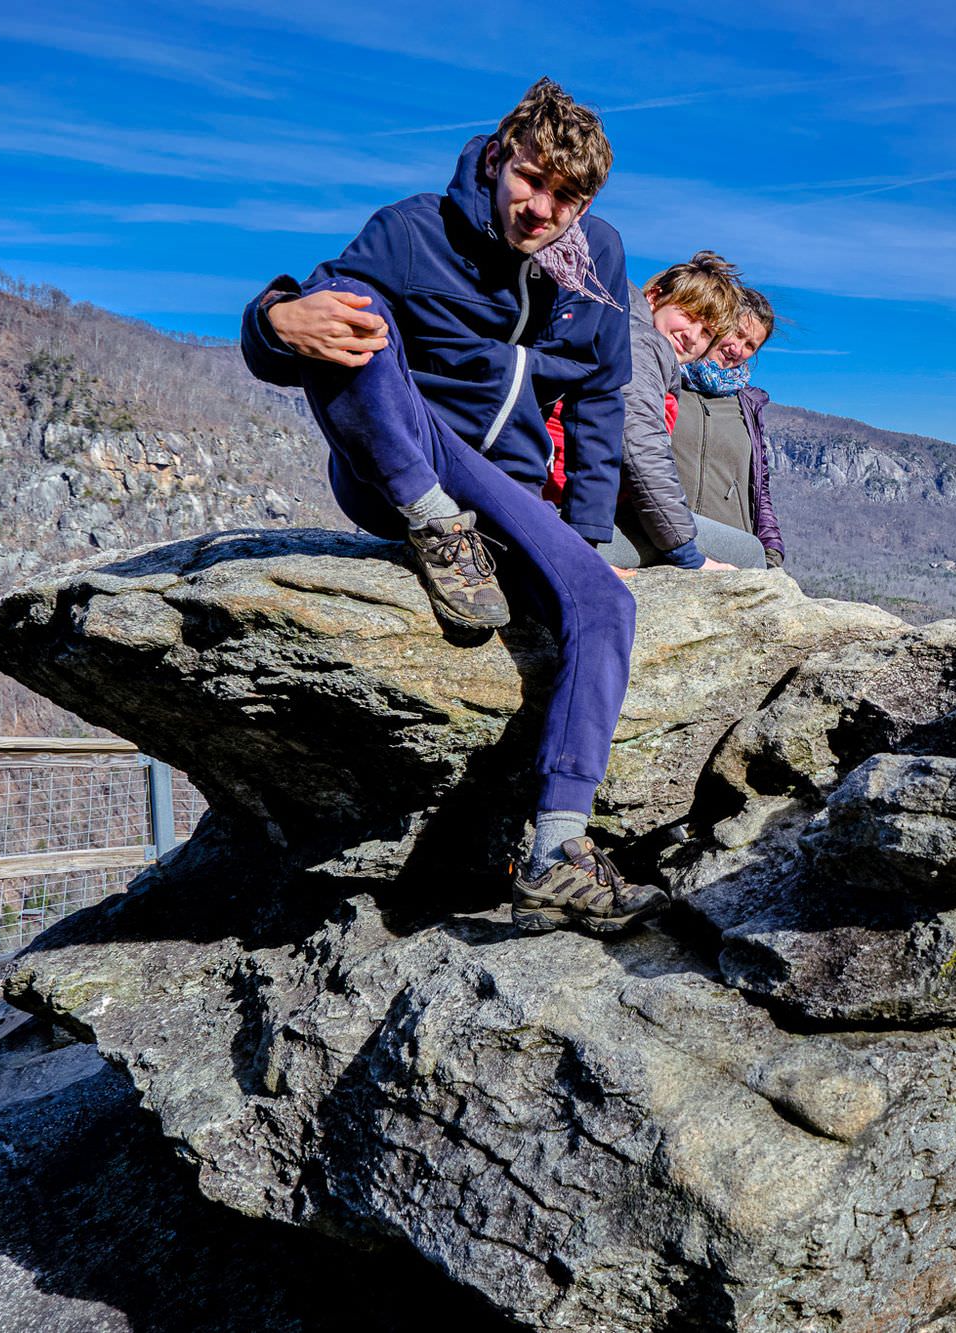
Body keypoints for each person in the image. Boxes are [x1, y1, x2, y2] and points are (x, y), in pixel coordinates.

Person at [237, 78, 666, 935]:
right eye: (531, 179)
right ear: (501, 155)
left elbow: (599, 400)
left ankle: (556, 850)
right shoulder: (413, 230)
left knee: (604, 600)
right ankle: (434, 523)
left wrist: (578, 540)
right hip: (397, 455)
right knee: (354, 316)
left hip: (504, 486)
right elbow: (298, 325)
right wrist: (277, 316)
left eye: (567, 195)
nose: (542, 208)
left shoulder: (600, 264)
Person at [600, 253, 769, 571]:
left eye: (706, 331)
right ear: (654, 297)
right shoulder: (642, 345)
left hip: (631, 513)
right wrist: (690, 556)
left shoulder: (742, 403)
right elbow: (642, 451)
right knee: (746, 556)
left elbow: (759, 487)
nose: (692, 334)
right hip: (589, 514)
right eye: (688, 314)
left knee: (748, 552)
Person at [671, 286, 786, 569]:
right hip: (664, 539)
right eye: (737, 332)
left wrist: (771, 553)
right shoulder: (665, 380)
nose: (737, 349)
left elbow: (759, 489)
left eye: (750, 346)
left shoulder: (746, 404)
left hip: (730, 553)